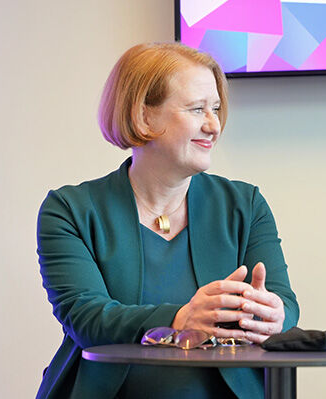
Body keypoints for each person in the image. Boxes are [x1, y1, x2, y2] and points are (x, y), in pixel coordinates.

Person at [36, 42, 299, 399]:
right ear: (144, 116)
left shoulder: (245, 204)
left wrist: (272, 314)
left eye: (216, 109)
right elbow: (87, 318)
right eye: (196, 109)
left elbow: (285, 303)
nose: (213, 125)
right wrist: (180, 319)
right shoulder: (70, 209)